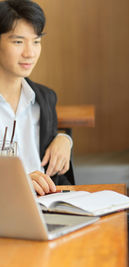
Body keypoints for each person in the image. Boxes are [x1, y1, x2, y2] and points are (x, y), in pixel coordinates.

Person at [0, 0, 74, 195]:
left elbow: (57, 170)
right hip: (6, 211)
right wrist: (20, 183)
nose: (30, 52)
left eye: (36, 41)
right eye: (18, 41)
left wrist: (64, 139)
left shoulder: (45, 98)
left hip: (48, 206)